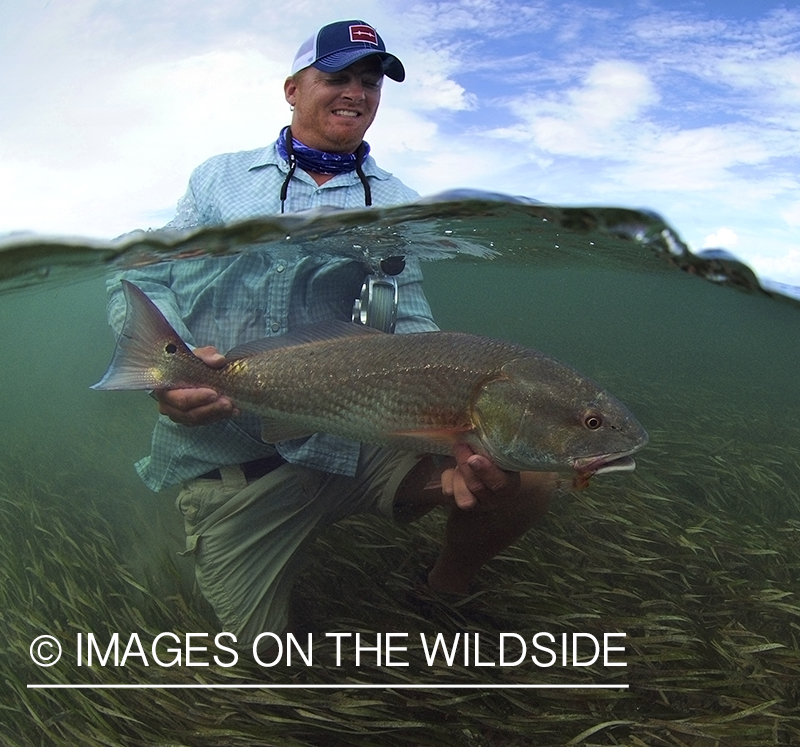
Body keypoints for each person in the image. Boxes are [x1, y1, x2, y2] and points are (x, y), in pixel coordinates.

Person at [106, 20, 555, 642]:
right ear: (292, 88)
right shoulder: (220, 179)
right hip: (240, 463)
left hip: (353, 443)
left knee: (528, 475)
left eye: (370, 81)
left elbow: (415, 324)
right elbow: (142, 268)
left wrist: (452, 430)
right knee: (257, 659)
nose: (357, 92)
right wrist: (170, 368)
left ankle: (443, 589)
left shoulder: (400, 201)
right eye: (337, 76)